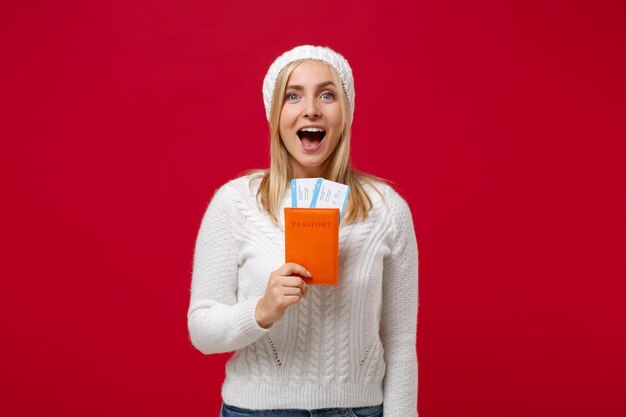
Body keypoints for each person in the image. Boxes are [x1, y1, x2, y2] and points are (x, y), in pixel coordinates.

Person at [187, 45, 418, 417]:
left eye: (327, 94)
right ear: (276, 114)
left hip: (358, 411)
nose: (311, 108)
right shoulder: (235, 203)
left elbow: (401, 340)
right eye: (293, 96)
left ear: (346, 112)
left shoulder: (386, 209)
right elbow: (202, 330)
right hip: (255, 411)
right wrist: (262, 310)